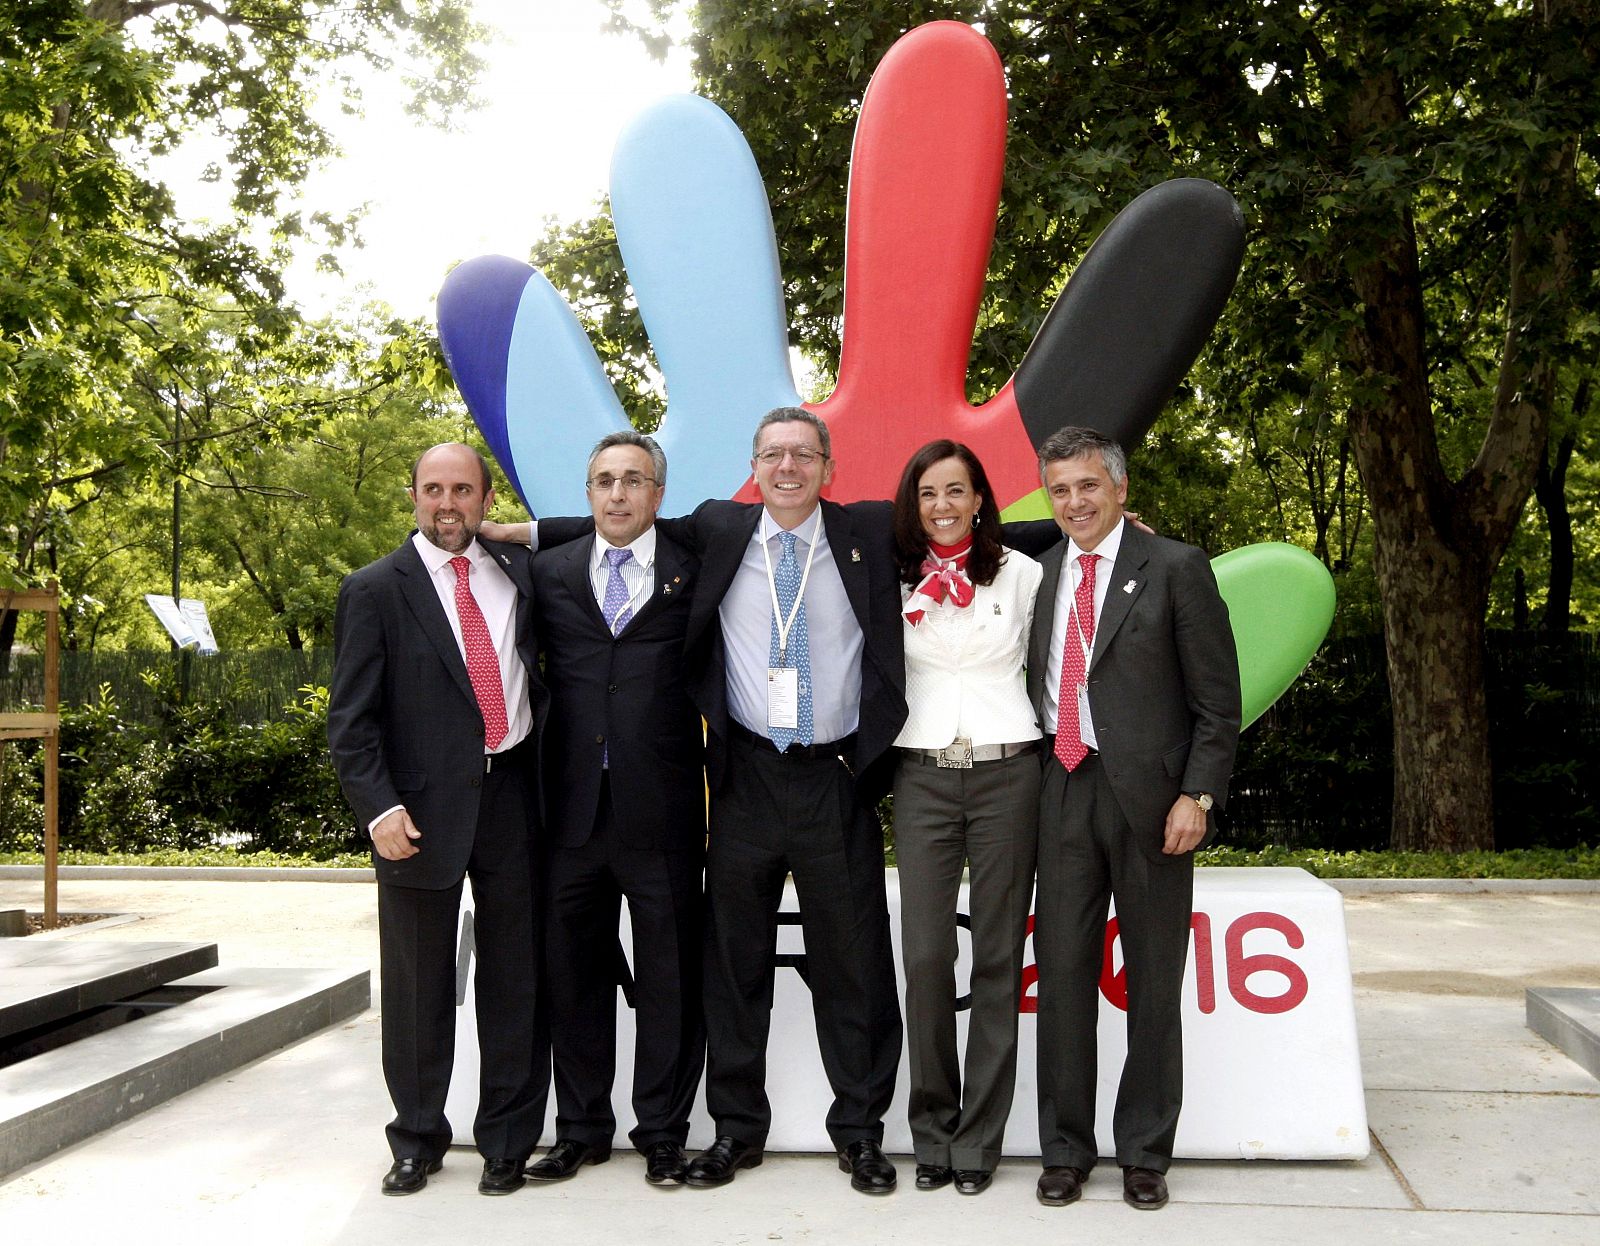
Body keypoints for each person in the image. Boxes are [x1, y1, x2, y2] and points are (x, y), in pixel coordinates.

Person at [1025, 426, 1240, 1211]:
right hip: (1062, 787)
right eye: (1061, 490)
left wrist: (1200, 795)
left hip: (1156, 805)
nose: (1075, 502)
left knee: (1152, 982)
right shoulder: (1038, 574)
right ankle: (1064, 1150)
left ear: (1119, 488)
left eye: (1088, 486)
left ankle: (1145, 1151)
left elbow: (1217, 702)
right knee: (1064, 980)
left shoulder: (1175, 567)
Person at [326, 442, 549, 1198]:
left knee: (515, 978)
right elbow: (350, 722)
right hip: (415, 815)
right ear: (414, 496)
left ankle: (509, 1139)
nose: (448, 503)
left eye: (464, 489)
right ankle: (417, 1138)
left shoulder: (520, 572)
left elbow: (609, 530)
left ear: (488, 499)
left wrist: (524, 535)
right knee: (419, 985)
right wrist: (378, 808)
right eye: (433, 489)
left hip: (517, 796)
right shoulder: (373, 589)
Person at [522, 432, 706, 1189]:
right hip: (569, 814)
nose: (619, 494)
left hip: (661, 810)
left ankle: (662, 1132)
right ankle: (581, 1130)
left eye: (635, 480)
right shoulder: (548, 572)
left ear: (659, 494)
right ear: (588, 492)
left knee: (668, 979)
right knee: (574, 978)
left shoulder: (695, 566)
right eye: (604, 481)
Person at [889, 440, 1043, 1196]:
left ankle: (979, 1140)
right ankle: (932, 1130)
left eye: (956, 491)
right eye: (928, 495)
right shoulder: (889, 578)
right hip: (921, 777)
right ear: (912, 507)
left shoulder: (1025, 576)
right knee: (924, 958)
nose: (943, 506)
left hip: (1008, 774)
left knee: (996, 956)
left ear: (980, 498)